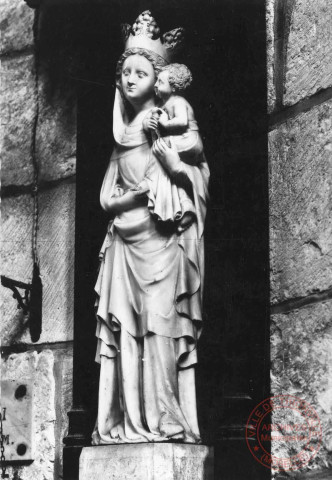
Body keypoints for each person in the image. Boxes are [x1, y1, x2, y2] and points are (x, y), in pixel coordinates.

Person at [92, 10, 209, 446]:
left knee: (161, 330)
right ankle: (128, 424)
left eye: (140, 71)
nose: (129, 78)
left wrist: (172, 167)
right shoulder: (121, 140)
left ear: (158, 78)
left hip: (163, 243)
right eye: (125, 71)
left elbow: (194, 164)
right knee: (125, 333)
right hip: (124, 243)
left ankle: (166, 420)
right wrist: (139, 194)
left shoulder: (169, 120)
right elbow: (106, 198)